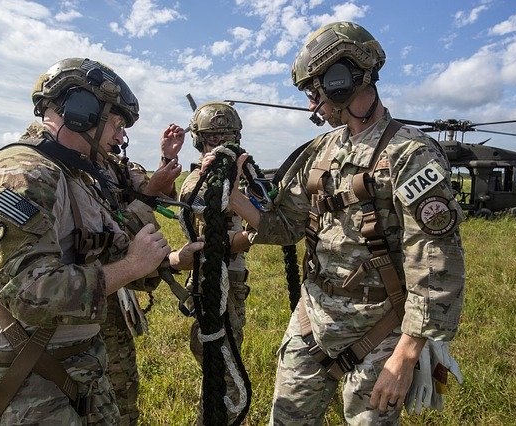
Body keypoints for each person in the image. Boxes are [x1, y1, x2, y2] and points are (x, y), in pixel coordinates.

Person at [222, 22, 466, 424]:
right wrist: (234, 198)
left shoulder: (411, 153)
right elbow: (284, 227)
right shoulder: (319, 151)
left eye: (315, 93)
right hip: (312, 321)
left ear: (340, 81)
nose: (312, 106)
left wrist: (406, 354)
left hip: (381, 333)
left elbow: (436, 260)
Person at [0, 57, 201, 425]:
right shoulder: (25, 174)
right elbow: (29, 293)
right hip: (32, 386)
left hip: (75, 370)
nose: (119, 136)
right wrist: (133, 264)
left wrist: (165, 263)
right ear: (81, 113)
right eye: (116, 122)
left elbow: (101, 256)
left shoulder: (75, 175)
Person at [96, 124, 184, 426]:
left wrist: (166, 158)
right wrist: (148, 193)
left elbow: (159, 194)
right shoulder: (73, 175)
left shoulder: (111, 167)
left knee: (122, 386)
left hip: (112, 292)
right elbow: (111, 240)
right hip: (88, 303)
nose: (122, 138)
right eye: (116, 128)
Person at [174, 102, 252, 425]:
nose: (220, 145)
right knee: (220, 372)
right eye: (212, 139)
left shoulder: (246, 177)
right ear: (200, 143)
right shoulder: (195, 183)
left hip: (232, 284)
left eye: (227, 138)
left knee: (223, 365)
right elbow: (205, 234)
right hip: (209, 285)